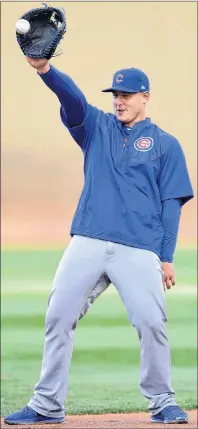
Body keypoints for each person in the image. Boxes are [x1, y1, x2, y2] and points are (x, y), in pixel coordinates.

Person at [5, 59, 194, 426]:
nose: (119, 101)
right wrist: (45, 70)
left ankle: (162, 401)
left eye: (126, 95)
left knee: (151, 322)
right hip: (88, 241)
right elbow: (71, 99)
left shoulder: (166, 145)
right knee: (58, 317)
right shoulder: (96, 128)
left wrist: (166, 257)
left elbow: (171, 206)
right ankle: (47, 404)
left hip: (140, 246)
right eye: (115, 95)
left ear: (145, 97)